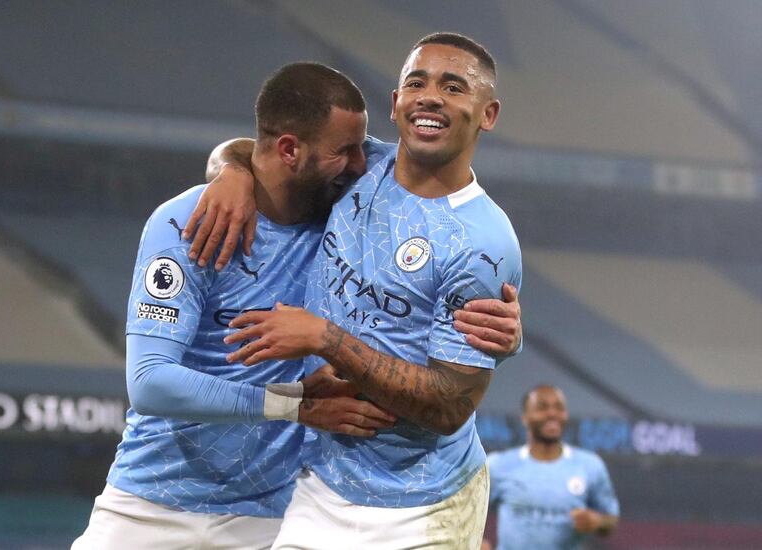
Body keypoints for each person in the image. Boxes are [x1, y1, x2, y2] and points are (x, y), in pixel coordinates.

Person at [210, 32, 522, 549]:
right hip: (320, 479)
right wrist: (231, 172)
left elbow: (448, 408)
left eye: (453, 86)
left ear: (487, 114)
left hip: (422, 501)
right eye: (416, 82)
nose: (430, 96)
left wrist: (325, 339)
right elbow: (261, 149)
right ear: (396, 103)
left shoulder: (483, 244)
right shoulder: (359, 165)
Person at [71, 63, 399, 550]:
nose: (360, 164)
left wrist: (231, 163)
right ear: (289, 149)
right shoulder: (190, 222)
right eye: (345, 152)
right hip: (151, 504)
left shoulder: (343, 221)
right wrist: (295, 403)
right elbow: (150, 384)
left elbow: (438, 185)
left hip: (269, 517)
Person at [482, 385, 619, 550]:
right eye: (542, 407)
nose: (552, 414)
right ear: (525, 417)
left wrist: (598, 522)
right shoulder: (499, 465)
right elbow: (467, 509)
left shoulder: (590, 465)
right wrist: (476, 541)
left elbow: (611, 520)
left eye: (559, 408)